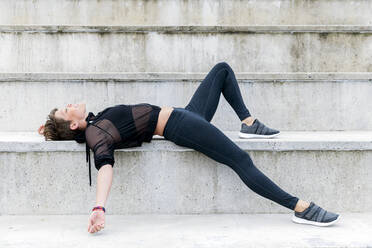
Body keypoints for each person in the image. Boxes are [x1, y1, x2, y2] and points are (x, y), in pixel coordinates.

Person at [38, 62, 339, 233]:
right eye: (65, 112)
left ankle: (248, 122)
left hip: (183, 115)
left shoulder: (96, 122)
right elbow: (104, 165)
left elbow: (90, 139)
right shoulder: (96, 134)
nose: (68, 105)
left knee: (221, 70)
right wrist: (99, 207)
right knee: (240, 160)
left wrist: (48, 127)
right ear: (74, 125)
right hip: (178, 126)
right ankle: (300, 207)